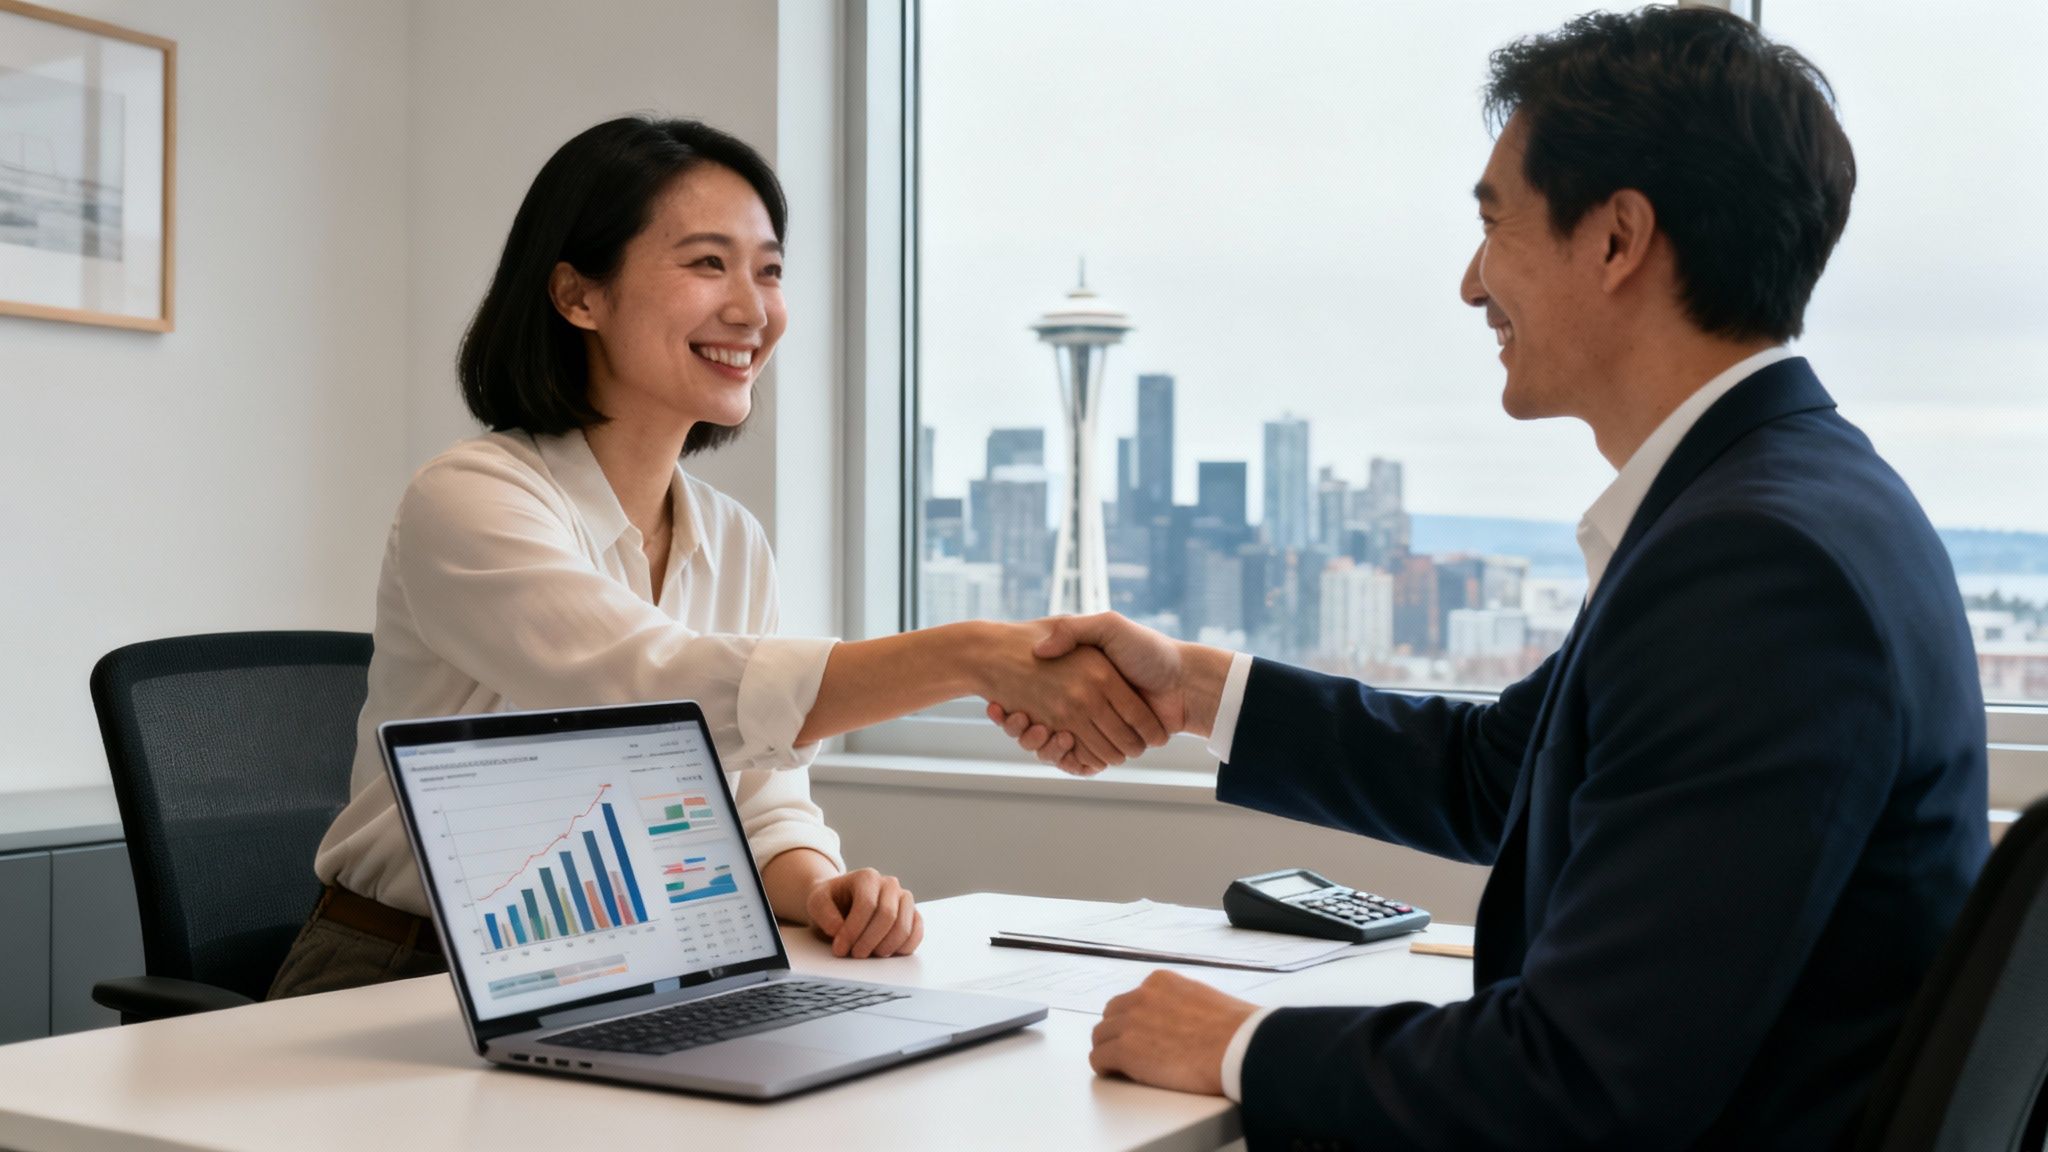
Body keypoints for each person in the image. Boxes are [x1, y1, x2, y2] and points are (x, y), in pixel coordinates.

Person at [989, 9, 1988, 1148]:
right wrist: (1192, 690)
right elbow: (1502, 773)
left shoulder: (1753, 568)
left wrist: (1234, 1044)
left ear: (1616, 240)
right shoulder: (1791, 497)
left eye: (1492, 223)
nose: (1470, 284)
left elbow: (1573, 1089)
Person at [269, 117, 1165, 1000]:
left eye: (769, 270)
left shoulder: (732, 537)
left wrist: (818, 886)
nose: (753, 308)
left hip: (619, 970)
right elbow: (643, 692)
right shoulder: (468, 500)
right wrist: (970, 657)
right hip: (397, 973)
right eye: (707, 263)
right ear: (580, 296)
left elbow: (760, 805)